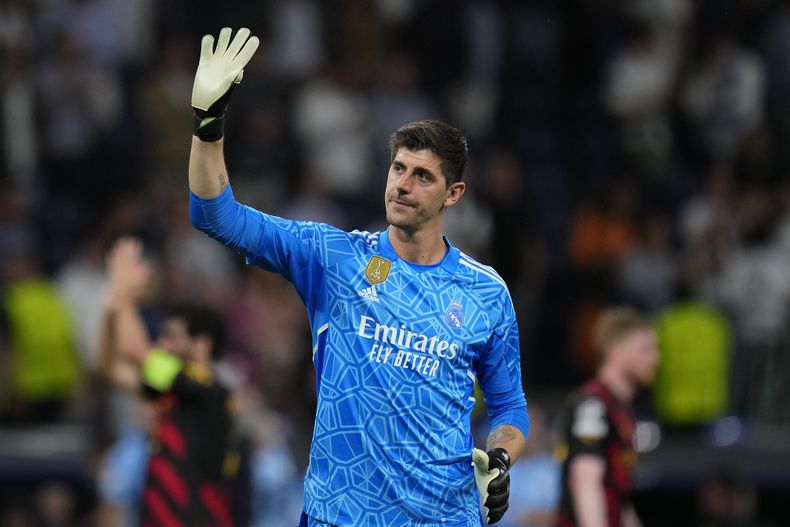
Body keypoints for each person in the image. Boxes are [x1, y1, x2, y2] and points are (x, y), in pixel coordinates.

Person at [188, 27, 529, 526]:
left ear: (453, 194)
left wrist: (499, 459)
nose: (403, 185)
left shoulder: (486, 292)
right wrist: (208, 125)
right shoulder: (334, 258)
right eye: (398, 168)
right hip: (341, 515)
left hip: (443, 518)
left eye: (422, 176)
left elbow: (510, 407)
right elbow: (215, 216)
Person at [99, 238, 249, 527]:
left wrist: (124, 294)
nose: (163, 345)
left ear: (202, 345)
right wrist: (111, 311)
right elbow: (111, 367)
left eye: (172, 338)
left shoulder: (211, 393)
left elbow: (134, 350)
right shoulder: (177, 393)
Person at [555, 307, 659, 527]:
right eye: (645, 349)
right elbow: (585, 480)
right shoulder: (593, 405)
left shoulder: (621, 408)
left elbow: (618, 496)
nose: (655, 358)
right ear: (616, 351)